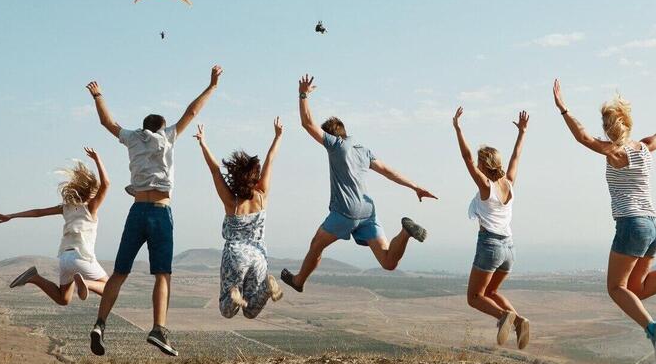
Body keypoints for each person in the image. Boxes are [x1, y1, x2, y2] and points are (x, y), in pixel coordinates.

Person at [552, 79, 656, 364]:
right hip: (652, 226)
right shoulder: (644, 148)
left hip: (631, 225)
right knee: (638, 288)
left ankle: (652, 327)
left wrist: (563, 108)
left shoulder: (614, 154)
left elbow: (582, 137)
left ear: (608, 129)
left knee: (616, 288)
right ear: (628, 124)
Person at [85, 66, 222, 357]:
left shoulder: (132, 139)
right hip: (160, 212)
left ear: (143, 127)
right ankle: (159, 329)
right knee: (162, 274)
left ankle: (100, 323)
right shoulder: (167, 136)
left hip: (136, 212)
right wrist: (211, 86)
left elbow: (107, 122)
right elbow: (191, 112)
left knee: (119, 273)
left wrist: (98, 96)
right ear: (160, 127)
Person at [281, 74, 437, 292]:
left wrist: (303, 94)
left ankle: (298, 281)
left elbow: (307, 123)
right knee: (388, 262)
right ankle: (405, 233)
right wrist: (415, 187)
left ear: (331, 136)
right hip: (367, 209)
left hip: (346, 210)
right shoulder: (363, 151)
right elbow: (388, 171)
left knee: (316, 244)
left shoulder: (335, 145)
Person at [453, 106, 531, 349]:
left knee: (475, 297)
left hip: (490, 246)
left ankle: (504, 317)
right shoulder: (509, 183)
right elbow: (516, 156)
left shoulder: (485, 186)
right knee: (492, 293)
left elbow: (466, 158)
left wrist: (458, 129)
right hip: (509, 248)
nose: (475, 166)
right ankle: (519, 321)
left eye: (479, 164)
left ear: (485, 167)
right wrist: (522, 133)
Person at [0, 147, 110, 306]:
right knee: (110, 288)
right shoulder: (91, 207)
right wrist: (97, 160)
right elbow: (106, 184)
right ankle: (86, 284)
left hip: (65, 258)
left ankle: (34, 277)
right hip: (81, 257)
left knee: (63, 299)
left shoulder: (65, 208)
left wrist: (11, 216)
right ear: (90, 192)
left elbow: (38, 212)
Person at [194, 119, 284, 319]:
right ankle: (267, 288)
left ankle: (233, 295)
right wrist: (277, 136)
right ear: (255, 176)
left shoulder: (231, 203)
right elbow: (270, 159)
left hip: (235, 255)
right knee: (251, 310)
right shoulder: (261, 195)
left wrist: (203, 143)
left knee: (227, 311)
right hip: (258, 256)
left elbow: (215, 170)